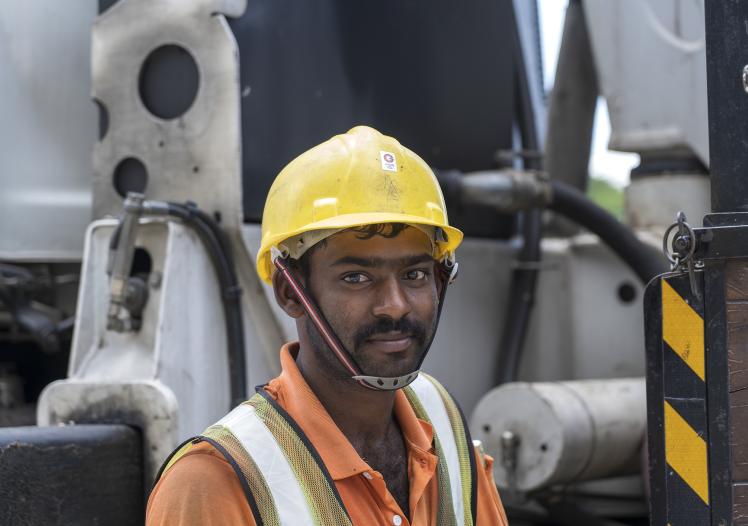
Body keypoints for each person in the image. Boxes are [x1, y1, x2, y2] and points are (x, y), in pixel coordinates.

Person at [146, 126, 509, 525]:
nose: (395, 306)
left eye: (415, 274)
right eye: (356, 277)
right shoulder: (216, 480)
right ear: (289, 292)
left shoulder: (441, 415)